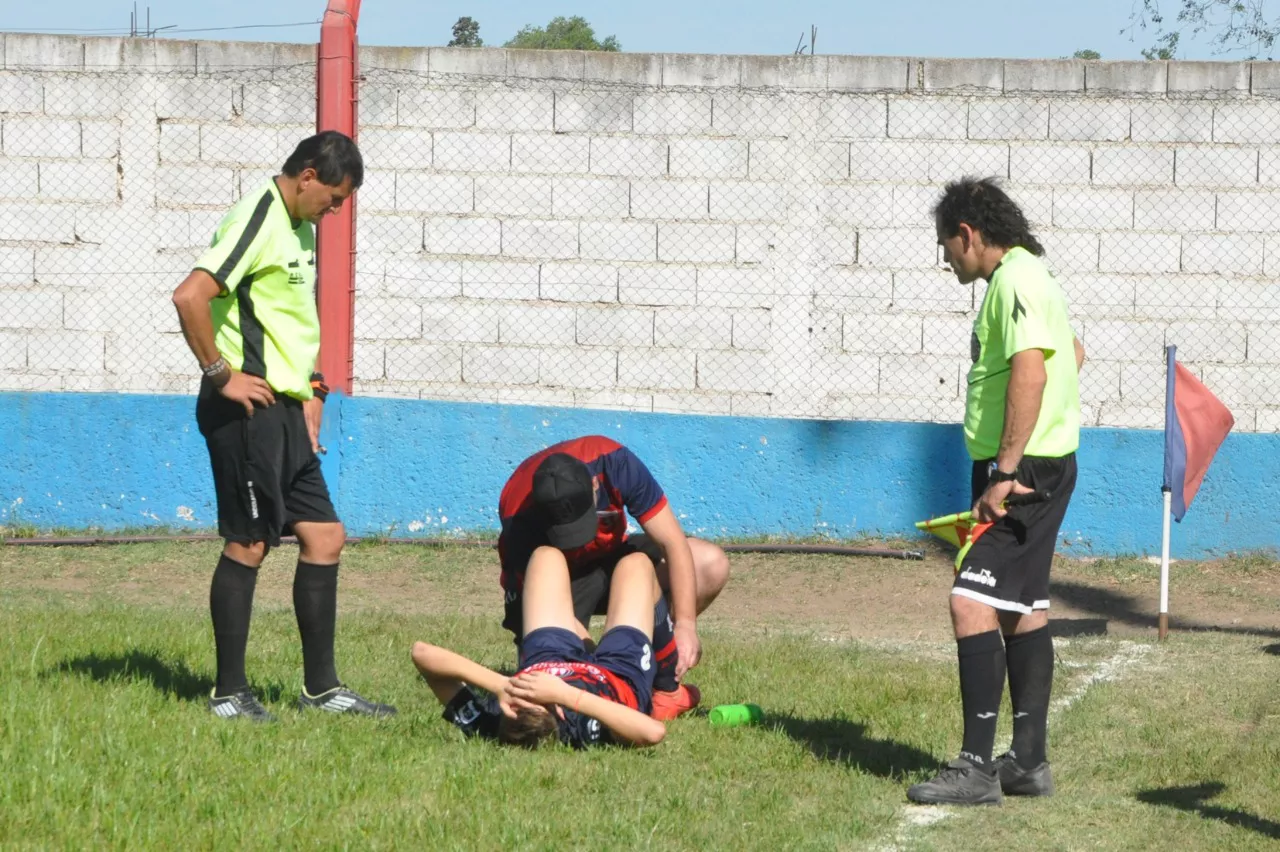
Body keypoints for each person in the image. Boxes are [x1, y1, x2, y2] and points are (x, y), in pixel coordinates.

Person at [171, 131, 394, 722]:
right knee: (249, 542)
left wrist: (313, 387)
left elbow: (288, 319)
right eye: (335, 198)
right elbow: (191, 295)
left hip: (288, 410)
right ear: (309, 176)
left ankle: (321, 689)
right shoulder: (259, 214)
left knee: (325, 537)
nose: (336, 211)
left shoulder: (298, 227)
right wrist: (222, 376)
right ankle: (228, 694)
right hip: (247, 410)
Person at [907, 177, 1085, 805]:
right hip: (1042, 462)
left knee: (969, 600)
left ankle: (976, 768)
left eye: (946, 245)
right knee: (1024, 607)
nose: (946, 258)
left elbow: (1033, 369)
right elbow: (1073, 353)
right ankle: (1028, 763)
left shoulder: (1013, 279)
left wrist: (1006, 471)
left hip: (1023, 471)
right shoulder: (1035, 276)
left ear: (969, 234)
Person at [496, 435, 730, 720]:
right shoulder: (518, 512)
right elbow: (530, 606)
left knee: (709, 563)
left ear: (595, 484)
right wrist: (602, 669)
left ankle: (662, 677)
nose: (577, 536)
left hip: (614, 560)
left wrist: (685, 624)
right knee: (560, 667)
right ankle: (631, 669)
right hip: (566, 581)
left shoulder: (613, 462)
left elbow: (673, 542)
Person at [412, 543, 670, 749]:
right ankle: (670, 681)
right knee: (636, 565)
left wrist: (503, 686)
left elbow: (422, 653)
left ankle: (585, 645)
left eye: (522, 698)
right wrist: (565, 694)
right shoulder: (579, 728)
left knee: (546, 556)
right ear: (555, 711)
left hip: (549, 655)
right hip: (617, 676)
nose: (526, 695)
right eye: (536, 699)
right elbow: (653, 732)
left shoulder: (493, 719)